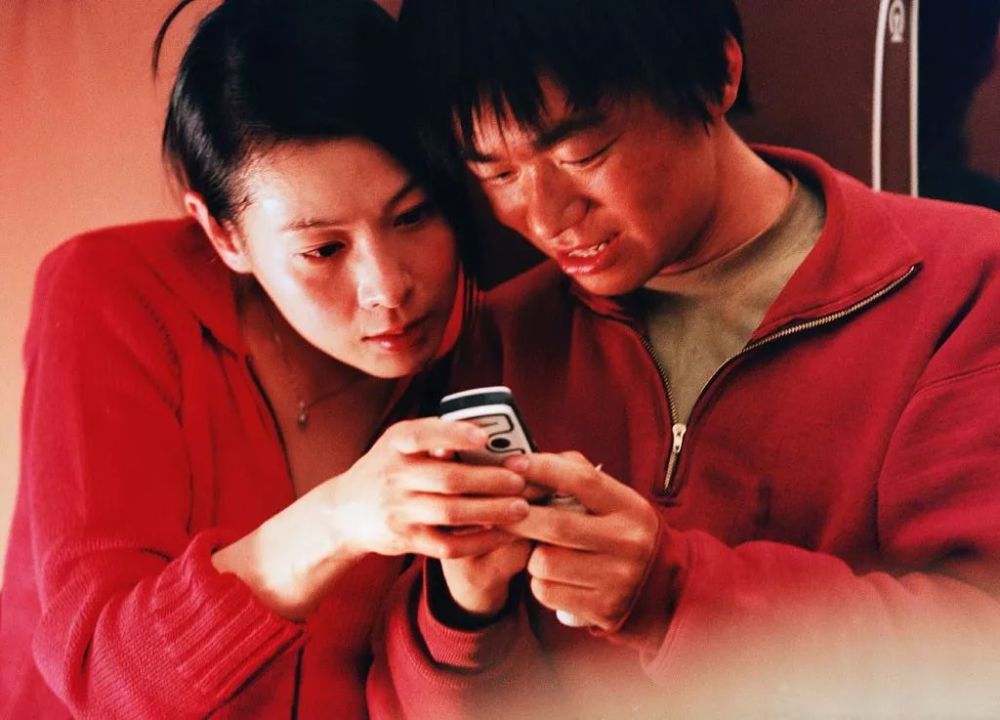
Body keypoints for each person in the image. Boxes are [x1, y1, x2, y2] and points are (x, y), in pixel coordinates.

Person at [369, 0, 1000, 717]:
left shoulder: (967, 285)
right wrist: (462, 617)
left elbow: (980, 663)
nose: (545, 218)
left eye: (583, 155)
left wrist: (671, 596)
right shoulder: (501, 337)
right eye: (498, 175)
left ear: (718, 75)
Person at [0, 0, 532, 716]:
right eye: (323, 249)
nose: (388, 288)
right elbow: (104, 678)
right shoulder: (111, 293)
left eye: (413, 216)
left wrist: (472, 608)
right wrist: (339, 520)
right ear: (224, 235)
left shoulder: (498, 334)